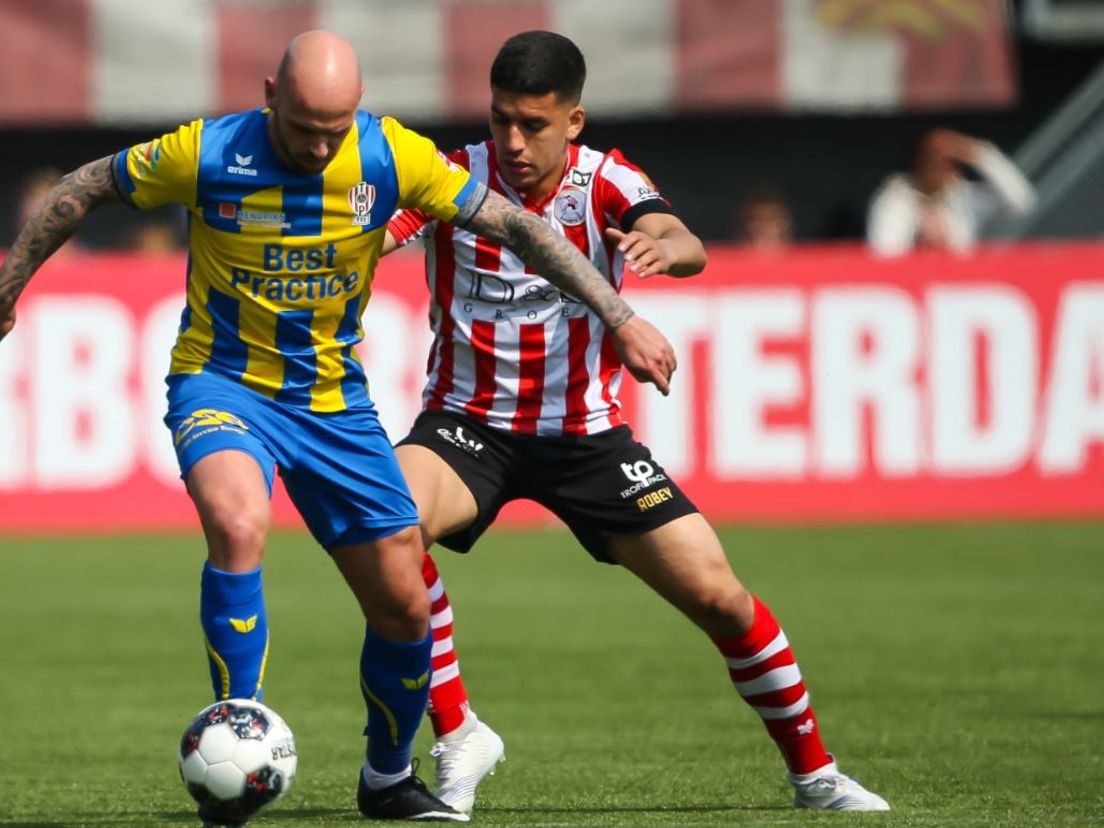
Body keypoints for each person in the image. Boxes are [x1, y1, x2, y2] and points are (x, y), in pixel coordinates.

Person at [0, 30, 676, 825]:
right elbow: (87, 183)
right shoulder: (207, 151)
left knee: (403, 604)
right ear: (269, 97)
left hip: (332, 403)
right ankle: (238, 723)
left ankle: (387, 779)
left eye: (337, 128)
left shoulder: (391, 155)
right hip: (222, 382)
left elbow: (518, 228)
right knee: (237, 521)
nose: (322, 147)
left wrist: (619, 313)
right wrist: (11, 287)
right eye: (304, 128)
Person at [387, 31, 890, 814]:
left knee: (722, 598)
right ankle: (458, 736)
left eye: (534, 125)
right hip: (466, 426)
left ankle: (815, 775)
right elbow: (380, 231)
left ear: (574, 121)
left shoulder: (607, 182)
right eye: (500, 122)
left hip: (588, 439)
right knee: (389, 524)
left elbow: (678, 237)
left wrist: (662, 250)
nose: (513, 143)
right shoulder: (452, 177)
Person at [866, 127, 1035, 257]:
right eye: (933, 158)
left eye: (950, 161)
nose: (942, 167)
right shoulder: (894, 200)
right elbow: (884, 257)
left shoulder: (964, 197)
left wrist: (979, 153)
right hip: (914, 288)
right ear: (917, 161)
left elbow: (1023, 201)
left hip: (963, 288)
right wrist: (921, 242)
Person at [731, 186, 793, 253]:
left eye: (772, 217)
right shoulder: (726, 260)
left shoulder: (801, 259)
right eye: (755, 219)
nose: (764, 227)